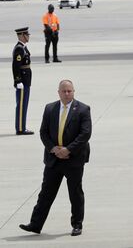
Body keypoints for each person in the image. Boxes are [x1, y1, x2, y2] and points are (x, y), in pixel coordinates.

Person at [19, 80, 92, 236]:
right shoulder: (50, 108)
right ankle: (35, 224)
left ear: (74, 91)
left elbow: (85, 134)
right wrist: (53, 149)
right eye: (64, 91)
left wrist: (68, 150)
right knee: (46, 192)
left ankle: (77, 224)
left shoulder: (83, 109)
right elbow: (43, 132)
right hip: (54, 158)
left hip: (74, 159)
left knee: (75, 193)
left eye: (69, 91)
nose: (67, 94)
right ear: (58, 92)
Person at [13, 27, 34, 135]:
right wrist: (18, 81)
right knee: (21, 105)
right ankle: (20, 129)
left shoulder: (23, 47)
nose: (28, 36)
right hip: (22, 81)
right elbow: (16, 66)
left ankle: (22, 126)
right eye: (27, 35)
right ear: (22, 35)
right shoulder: (19, 49)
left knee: (24, 104)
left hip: (26, 80)